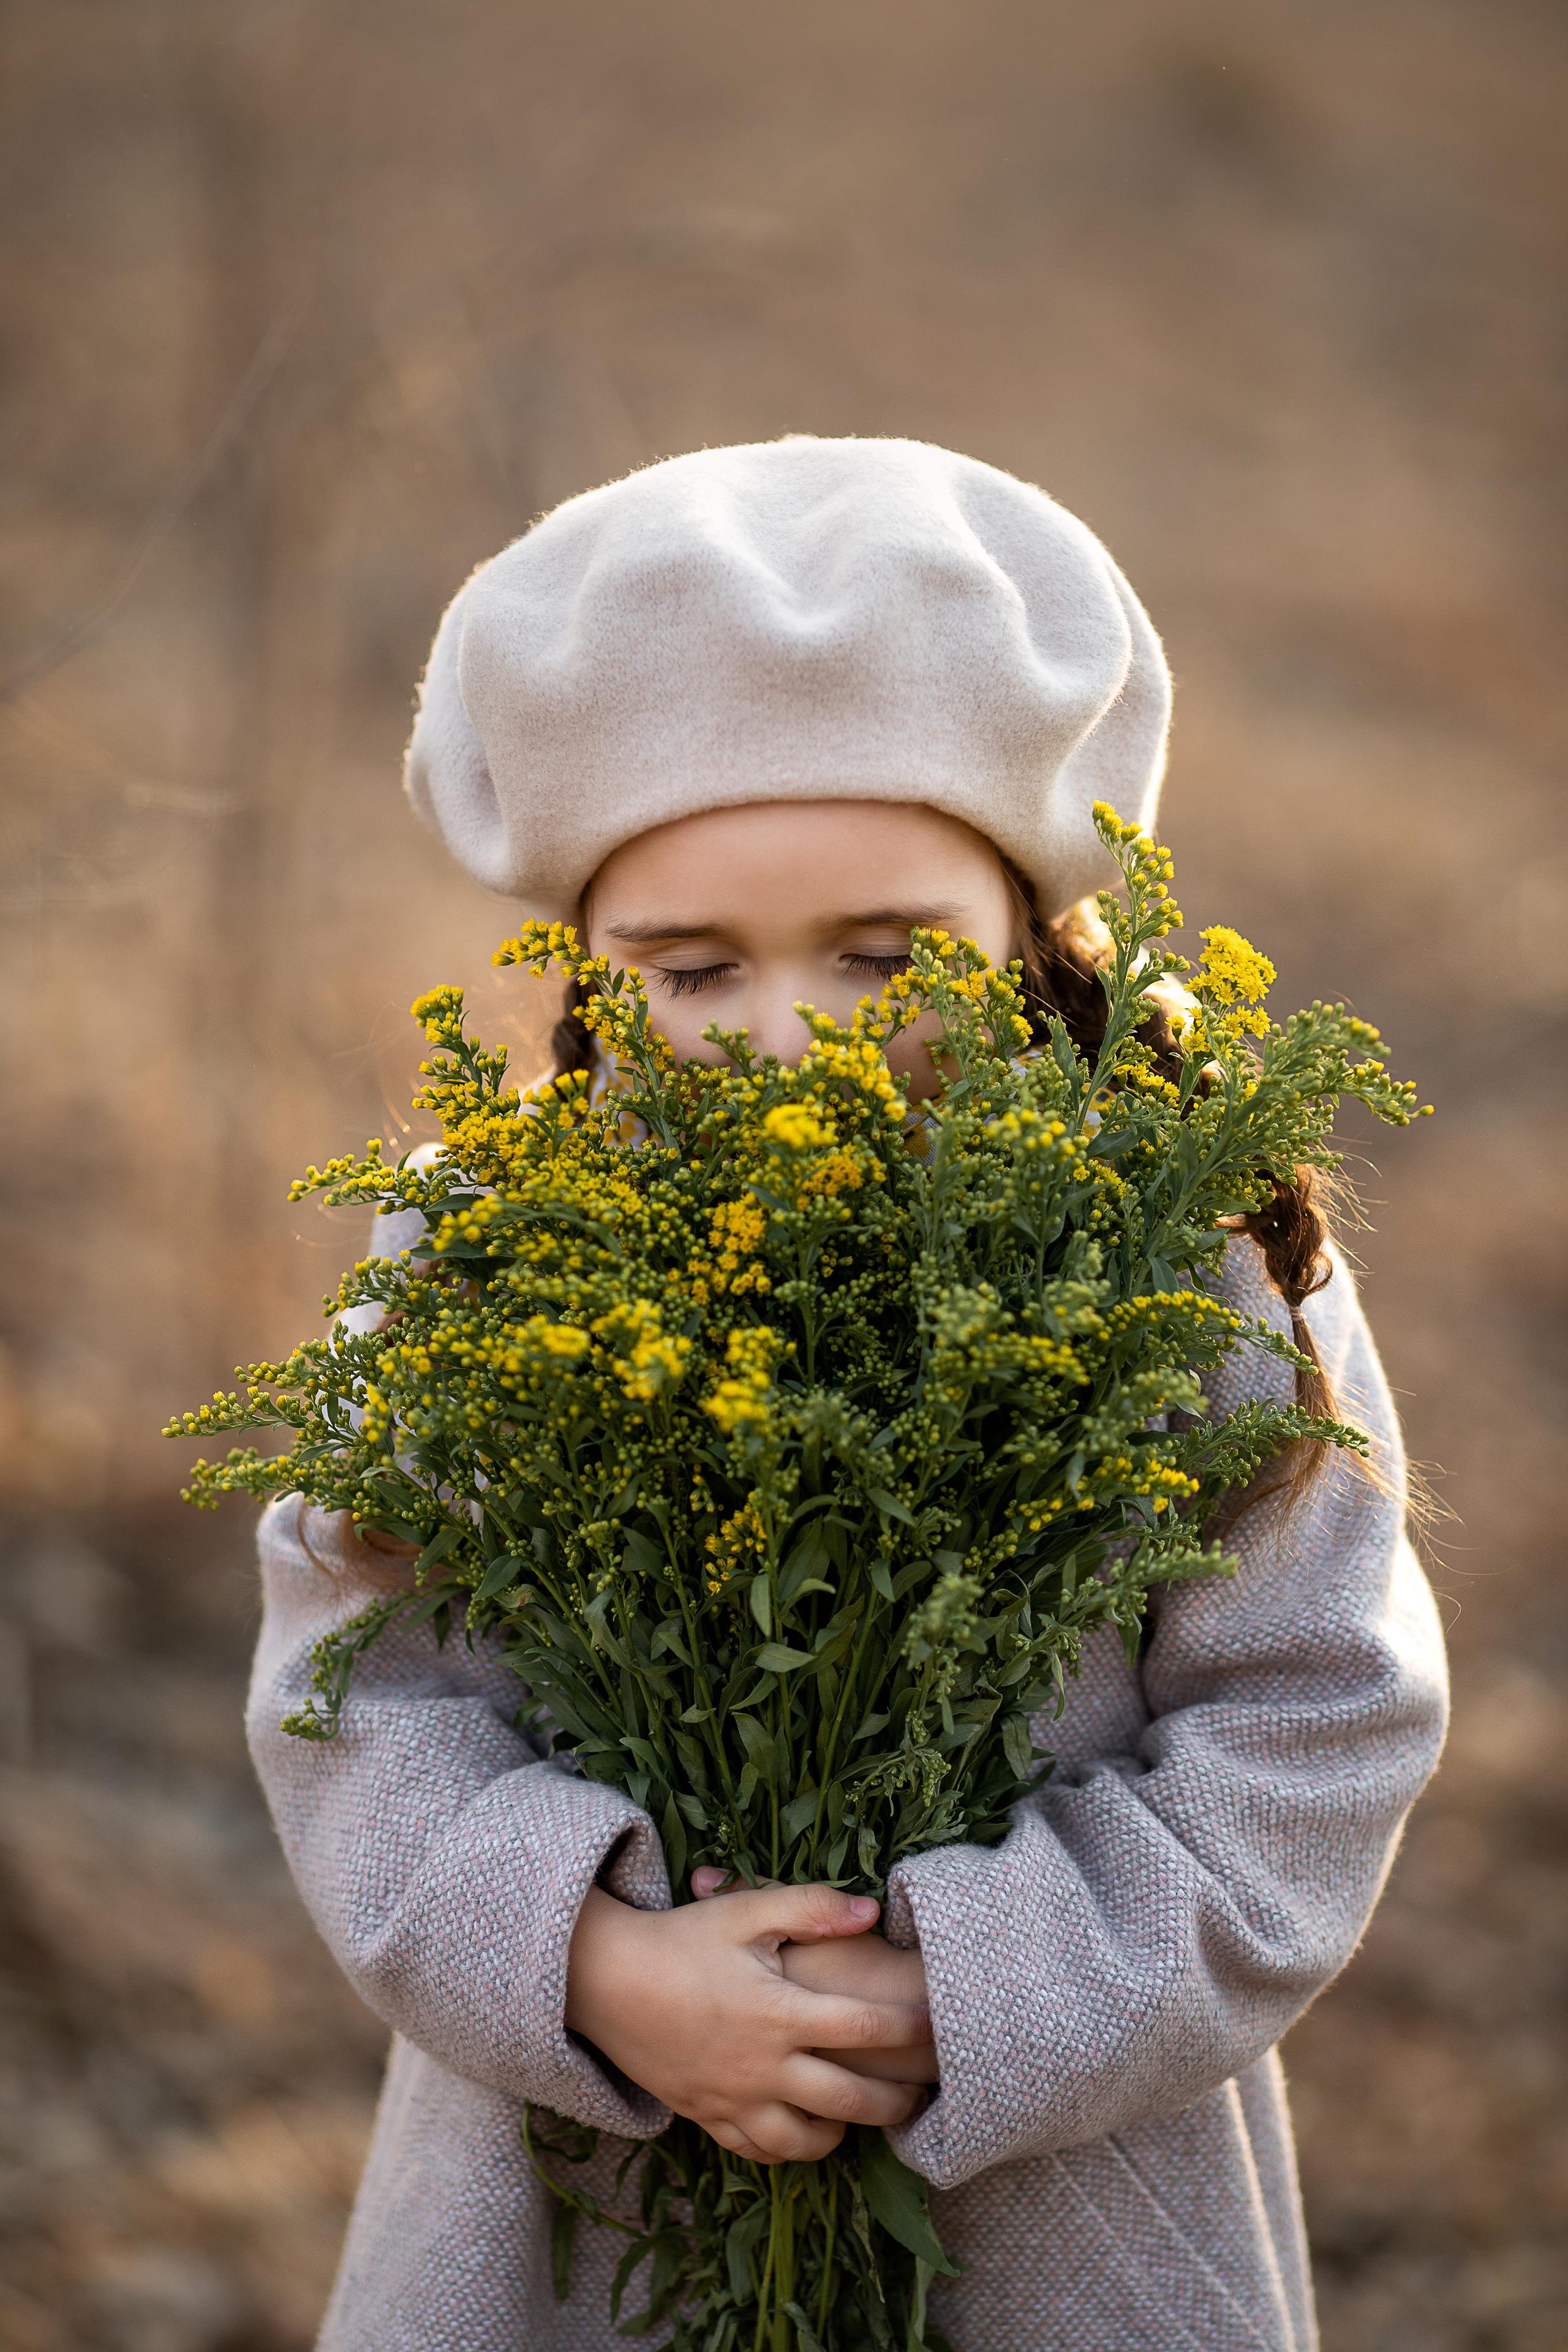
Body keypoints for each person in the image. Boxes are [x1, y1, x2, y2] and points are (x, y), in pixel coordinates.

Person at [247, 435, 1448, 2351]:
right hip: (564, 2214)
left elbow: (1320, 1711)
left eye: (891, 955)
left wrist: (978, 1988)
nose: (795, 1034)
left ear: (1034, 932)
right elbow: (360, 1699)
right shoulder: (487, 1251)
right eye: (692, 964)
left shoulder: (1166, 1242)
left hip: (1066, 2204)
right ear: (582, 965)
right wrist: (592, 1963)